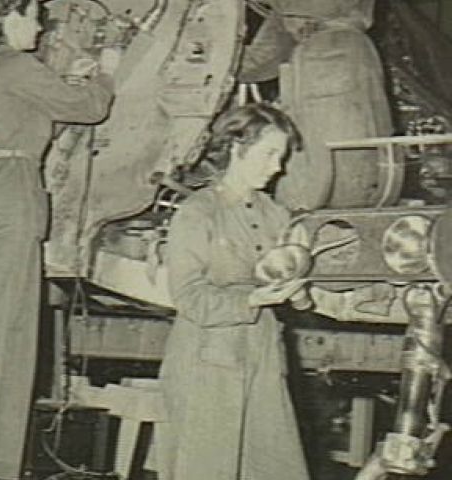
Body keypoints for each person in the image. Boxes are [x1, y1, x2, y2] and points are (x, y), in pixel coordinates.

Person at [0, 1, 117, 479]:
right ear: (8, 15)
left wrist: (68, 80)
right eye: (33, 15)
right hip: (6, 198)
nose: (41, 25)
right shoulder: (15, 63)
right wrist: (105, 74)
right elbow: (90, 109)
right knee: (3, 343)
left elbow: (34, 109)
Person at [156, 103, 309, 480]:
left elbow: (302, 300)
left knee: (273, 464)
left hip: (262, 356)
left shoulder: (278, 215)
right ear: (237, 147)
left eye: (282, 156)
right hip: (206, 361)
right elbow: (189, 297)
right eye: (270, 154)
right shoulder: (198, 212)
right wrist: (253, 299)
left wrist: (301, 280)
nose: (278, 167)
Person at [239, 0, 394, 210]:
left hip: (332, 55)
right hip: (322, 55)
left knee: (339, 169)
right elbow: (260, 61)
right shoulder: (293, 19)